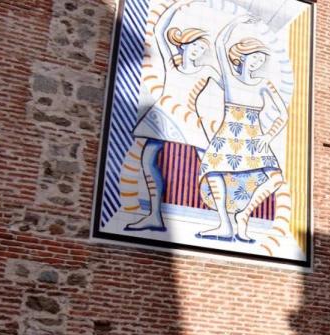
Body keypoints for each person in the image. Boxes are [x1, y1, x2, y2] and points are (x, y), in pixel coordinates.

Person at [122, 0, 220, 232]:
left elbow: (229, 84)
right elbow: (158, 30)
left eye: (201, 50)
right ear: (183, 46)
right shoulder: (171, 63)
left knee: (210, 165)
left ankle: (225, 218)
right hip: (164, 115)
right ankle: (154, 215)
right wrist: (176, 6)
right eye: (194, 47)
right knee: (148, 161)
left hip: (188, 119)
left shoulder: (206, 70)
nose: (197, 52)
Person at [198, 16, 292, 248]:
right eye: (254, 57)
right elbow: (220, 44)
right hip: (229, 133)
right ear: (242, 56)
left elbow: (283, 114)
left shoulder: (263, 83)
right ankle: (224, 223)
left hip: (253, 136)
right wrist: (236, 22)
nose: (257, 62)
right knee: (213, 170)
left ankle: (244, 214)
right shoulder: (229, 78)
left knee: (276, 178)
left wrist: (268, 136)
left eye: (261, 59)